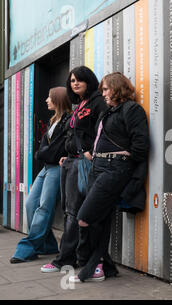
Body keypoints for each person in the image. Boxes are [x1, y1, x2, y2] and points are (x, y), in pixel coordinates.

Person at [69, 72, 149, 282]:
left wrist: (124, 155)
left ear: (116, 88)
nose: (103, 93)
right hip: (98, 166)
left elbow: (141, 145)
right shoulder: (110, 112)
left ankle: (89, 263)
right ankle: (103, 267)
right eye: (102, 90)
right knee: (99, 220)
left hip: (114, 168)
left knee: (84, 217)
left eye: (106, 89)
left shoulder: (132, 109)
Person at [41, 66, 108, 273]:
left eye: (79, 80)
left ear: (89, 80)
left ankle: (65, 259)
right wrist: (67, 154)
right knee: (72, 212)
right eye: (71, 81)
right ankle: (78, 257)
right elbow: (74, 134)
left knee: (76, 213)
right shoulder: (79, 104)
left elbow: (103, 130)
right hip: (71, 162)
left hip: (84, 164)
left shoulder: (97, 101)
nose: (75, 83)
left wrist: (91, 152)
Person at [10, 87, 72, 263]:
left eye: (50, 97)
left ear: (58, 100)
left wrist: (44, 152)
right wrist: (44, 153)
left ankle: (28, 248)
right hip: (46, 168)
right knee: (31, 204)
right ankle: (49, 245)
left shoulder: (68, 121)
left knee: (44, 206)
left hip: (58, 168)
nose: (46, 100)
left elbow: (52, 151)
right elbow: (43, 152)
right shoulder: (54, 120)